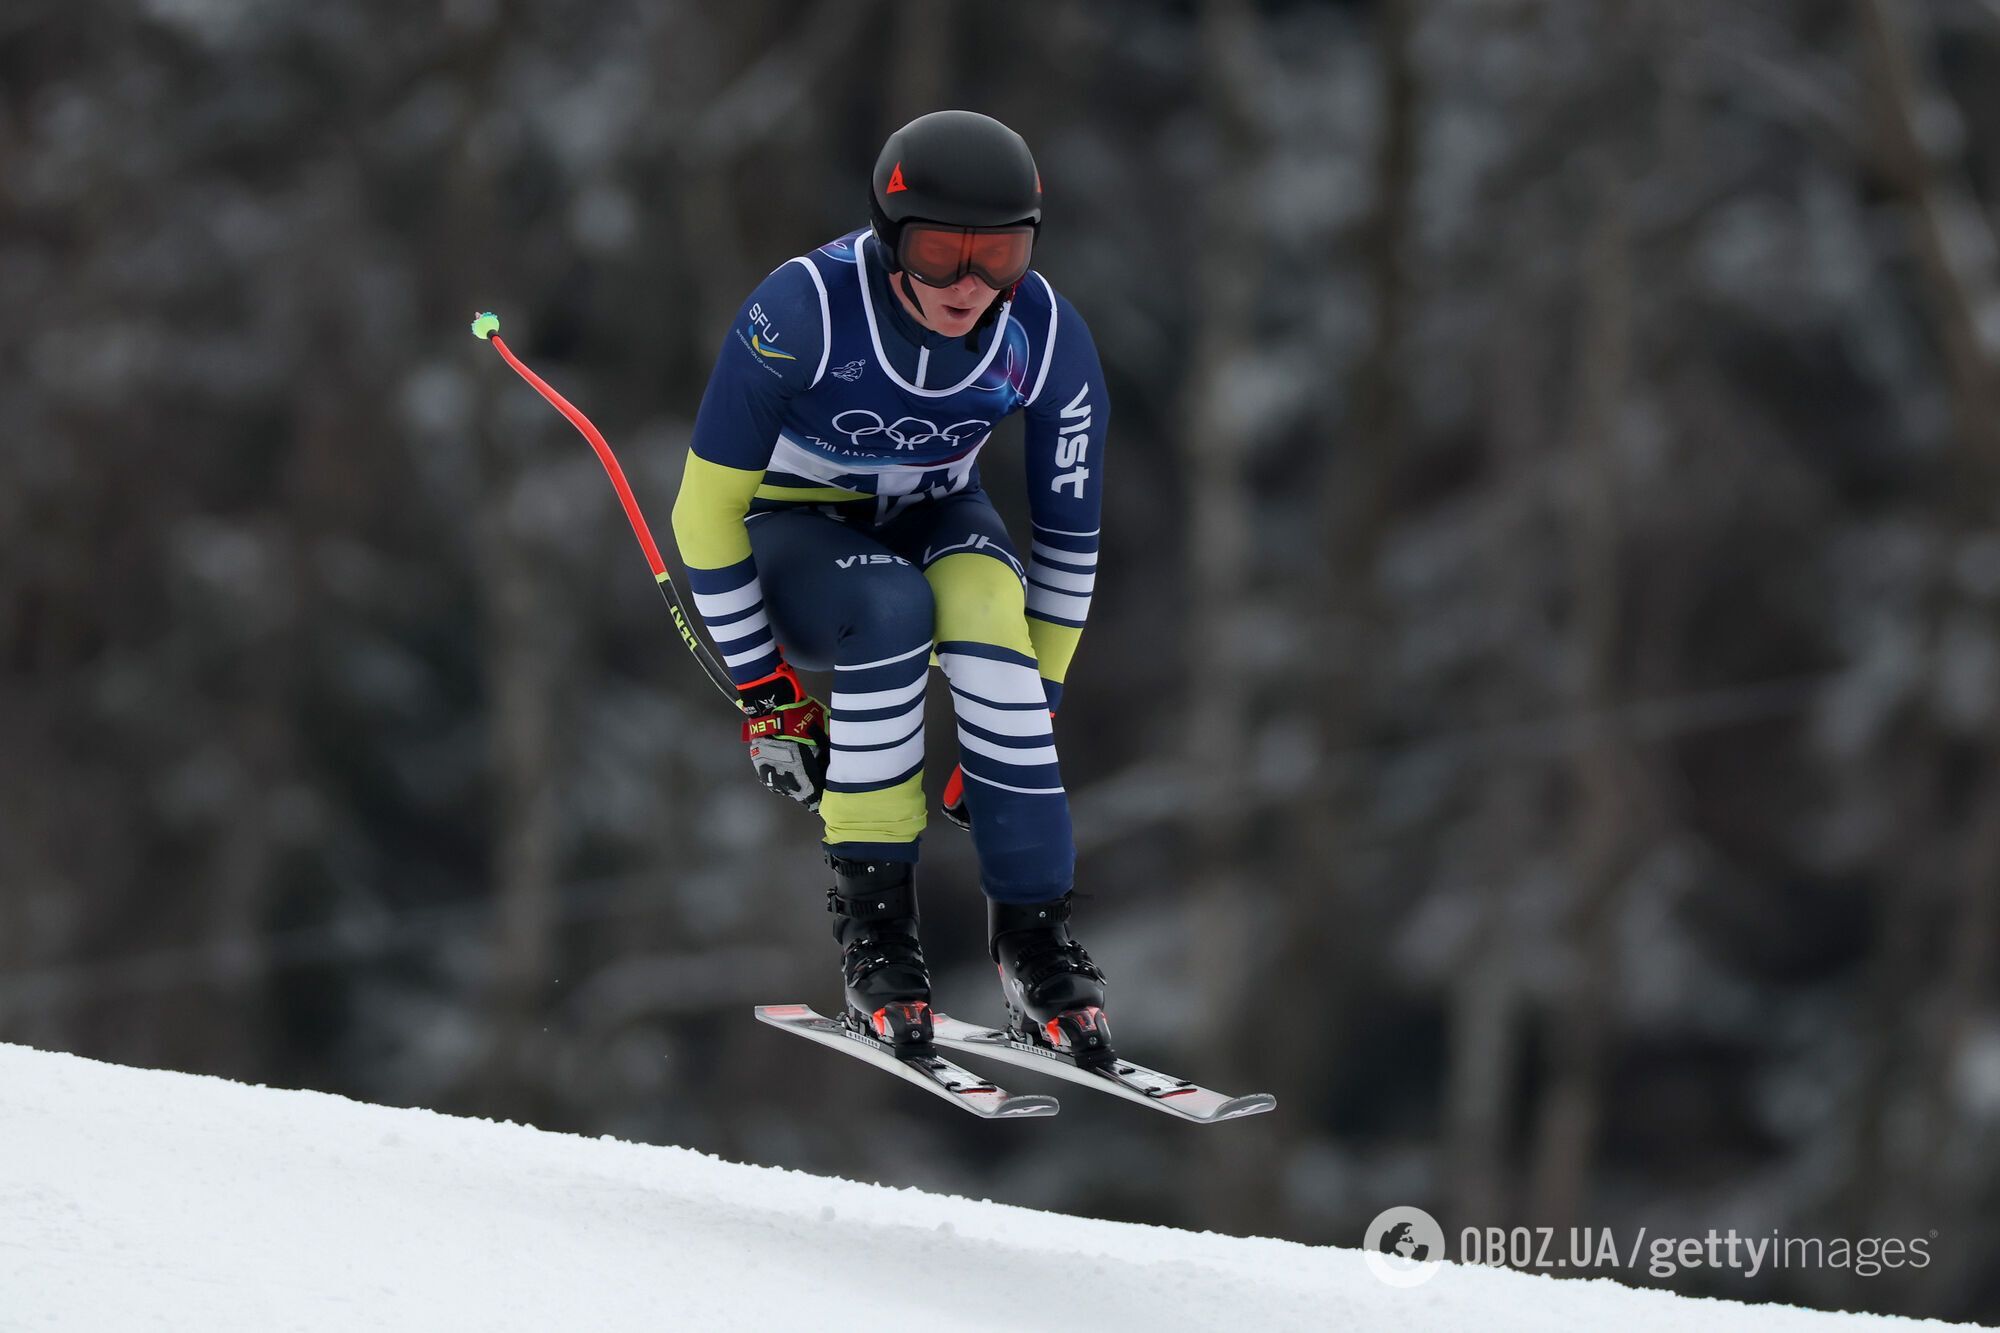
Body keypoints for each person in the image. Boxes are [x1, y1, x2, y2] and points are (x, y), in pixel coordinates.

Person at [670, 110, 1113, 1063]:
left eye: (1000, 256)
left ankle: (1036, 943)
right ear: (888, 238)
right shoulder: (805, 312)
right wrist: (766, 692)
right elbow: (701, 516)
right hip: (794, 531)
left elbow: (1071, 545)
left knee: (992, 613)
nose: (969, 286)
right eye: (940, 253)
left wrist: (1028, 712)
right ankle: (877, 938)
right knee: (890, 609)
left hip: (935, 510)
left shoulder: (1041, 334)